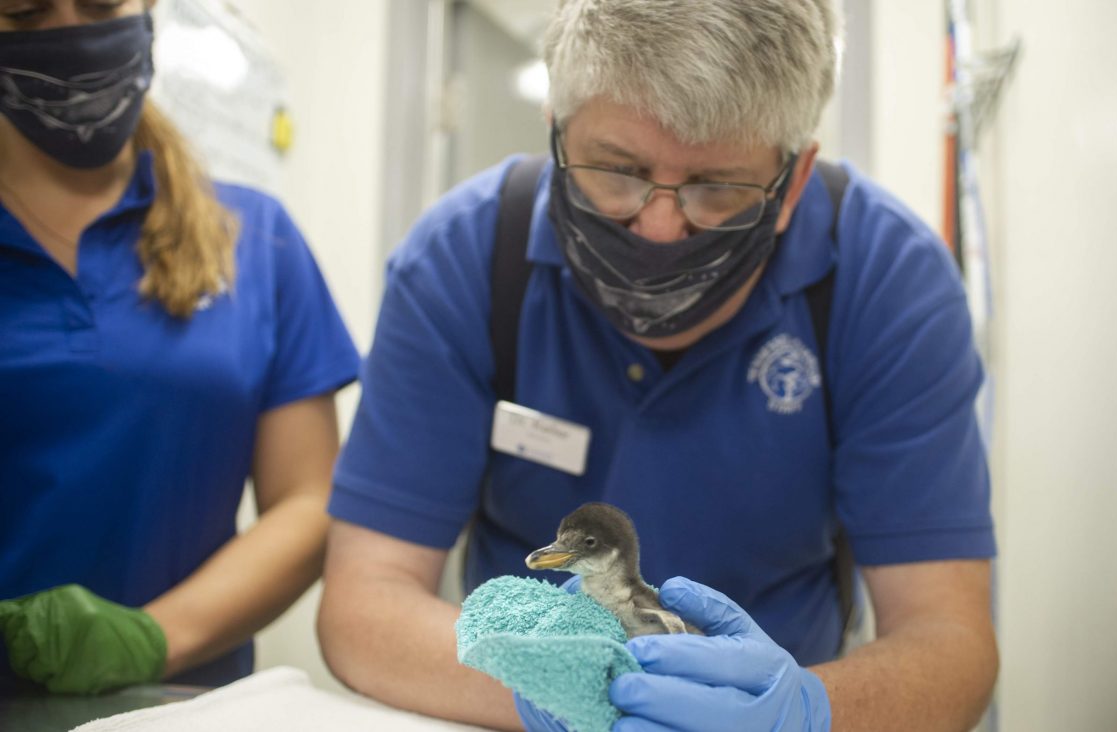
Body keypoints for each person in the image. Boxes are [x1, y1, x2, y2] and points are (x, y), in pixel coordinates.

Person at [320, 1, 997, 730]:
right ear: (555, 128)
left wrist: (803, 713)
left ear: (794, 178)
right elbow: (365, 601)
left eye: (717, 186)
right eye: (617, 170)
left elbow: (949, 642)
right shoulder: (464, 261)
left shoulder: (888, 282)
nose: (659, 225)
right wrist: (557, 691)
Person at [0, 0, 360, 694]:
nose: (72, 33)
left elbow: (310, 500)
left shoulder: (255, 238)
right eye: (24, 11)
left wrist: (149, 640)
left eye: (102, 4)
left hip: (187, 703)